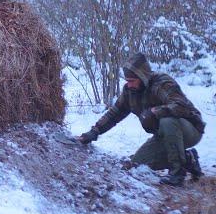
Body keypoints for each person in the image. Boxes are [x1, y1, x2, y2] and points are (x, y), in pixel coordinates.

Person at [78, 52, 205, 187]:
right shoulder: (129, 92)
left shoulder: (162, 83)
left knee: (167, 120)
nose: (129, 84)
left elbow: (181, 106)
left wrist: (155, 112)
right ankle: (189, 160)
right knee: (137, 163)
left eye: (132, 81)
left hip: (189, 129)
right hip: (164, 135)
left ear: (142, 76)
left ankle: (177, 173)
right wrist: (95, 131)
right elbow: (114, 113)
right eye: (127, 81)